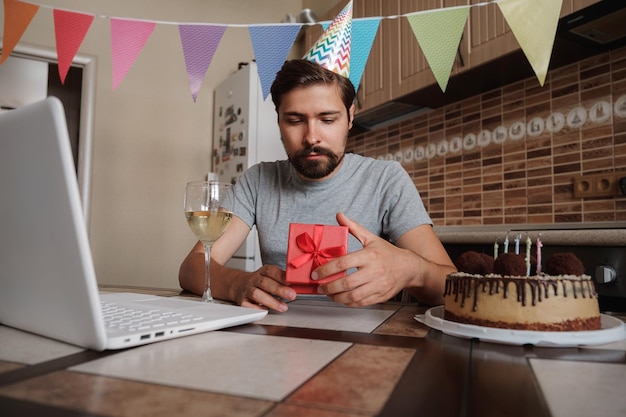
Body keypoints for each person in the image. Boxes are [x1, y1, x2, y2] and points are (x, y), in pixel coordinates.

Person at [179, 59, 456, 312]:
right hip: (275, 338)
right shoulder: (258, 180)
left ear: (350, 117)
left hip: (363, 346)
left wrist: (411, 269)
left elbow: (451, 287)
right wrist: (235, 282)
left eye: (327, 119)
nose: (312, 137)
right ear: (279, 122)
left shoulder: (386, 180)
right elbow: (191, 268)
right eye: (295, 120)